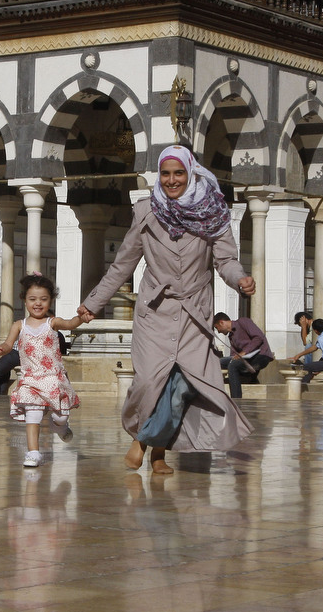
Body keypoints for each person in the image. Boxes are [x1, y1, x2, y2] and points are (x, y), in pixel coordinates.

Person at [77, 145, 255, 474]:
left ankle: (148, 446)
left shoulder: (213, 212)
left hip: (194, 315)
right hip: (154, 313)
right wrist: (93, 304)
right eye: (166, 173)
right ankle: (150, 441)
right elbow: (122, 266)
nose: (172, 180)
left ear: (190, 173)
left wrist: (239, 279)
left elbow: (226, 260)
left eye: (179, 173)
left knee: (183, 385)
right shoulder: (146, 211)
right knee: (149, 382)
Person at [0, 273, 92, 467]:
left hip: (53, 378)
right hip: (31, 379)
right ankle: (33, 452)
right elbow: (7, 344)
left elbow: (71, 323)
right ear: (24, 300)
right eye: (33, 299)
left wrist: (81, 319)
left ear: (50, 300)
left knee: (60, 416)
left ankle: (60, 427)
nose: (38, 303)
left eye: (43, 299)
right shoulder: (18, 325)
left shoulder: (52, 322)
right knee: (33, 413)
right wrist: (0, 350)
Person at [212, 312, 274, 398]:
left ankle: (236, 399)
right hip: (246, 359)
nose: (218, 331)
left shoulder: (243, 322)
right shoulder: (231, 336)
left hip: (261, 356)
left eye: (217, 328)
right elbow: (234, 354)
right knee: (218, 362)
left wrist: (244, 352)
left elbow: (258, 337)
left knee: (233, 366)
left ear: (221, 322)